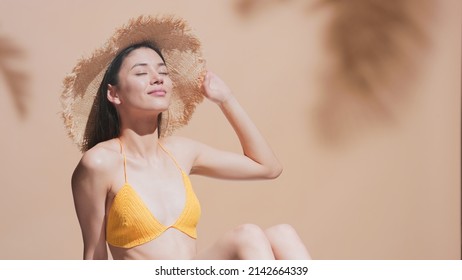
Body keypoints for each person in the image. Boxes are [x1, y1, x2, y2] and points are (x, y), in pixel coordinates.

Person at [62, 15, 310, 260]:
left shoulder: (181, 152)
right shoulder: (99, 163)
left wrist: (227, 100)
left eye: (162, 71)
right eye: (141, 73)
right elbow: (94, 256)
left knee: (278, 235)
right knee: (249, 235)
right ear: (114, 94)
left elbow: (268, 167)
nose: (157, 78)